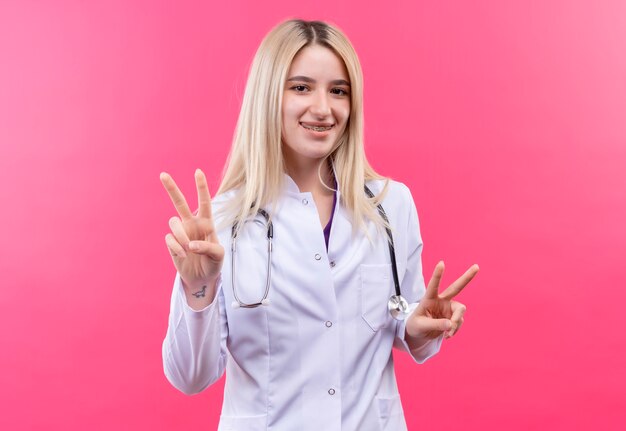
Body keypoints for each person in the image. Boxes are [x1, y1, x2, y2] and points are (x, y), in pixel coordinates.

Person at [160, 19, 478, 431]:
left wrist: (418, 327)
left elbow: (401, 318)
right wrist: (198, 289)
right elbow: (190, 377)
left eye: (338, 91)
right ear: (268, 97)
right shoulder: (222, 223)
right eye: (301, 87)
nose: (323, 108)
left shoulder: (389, 204)